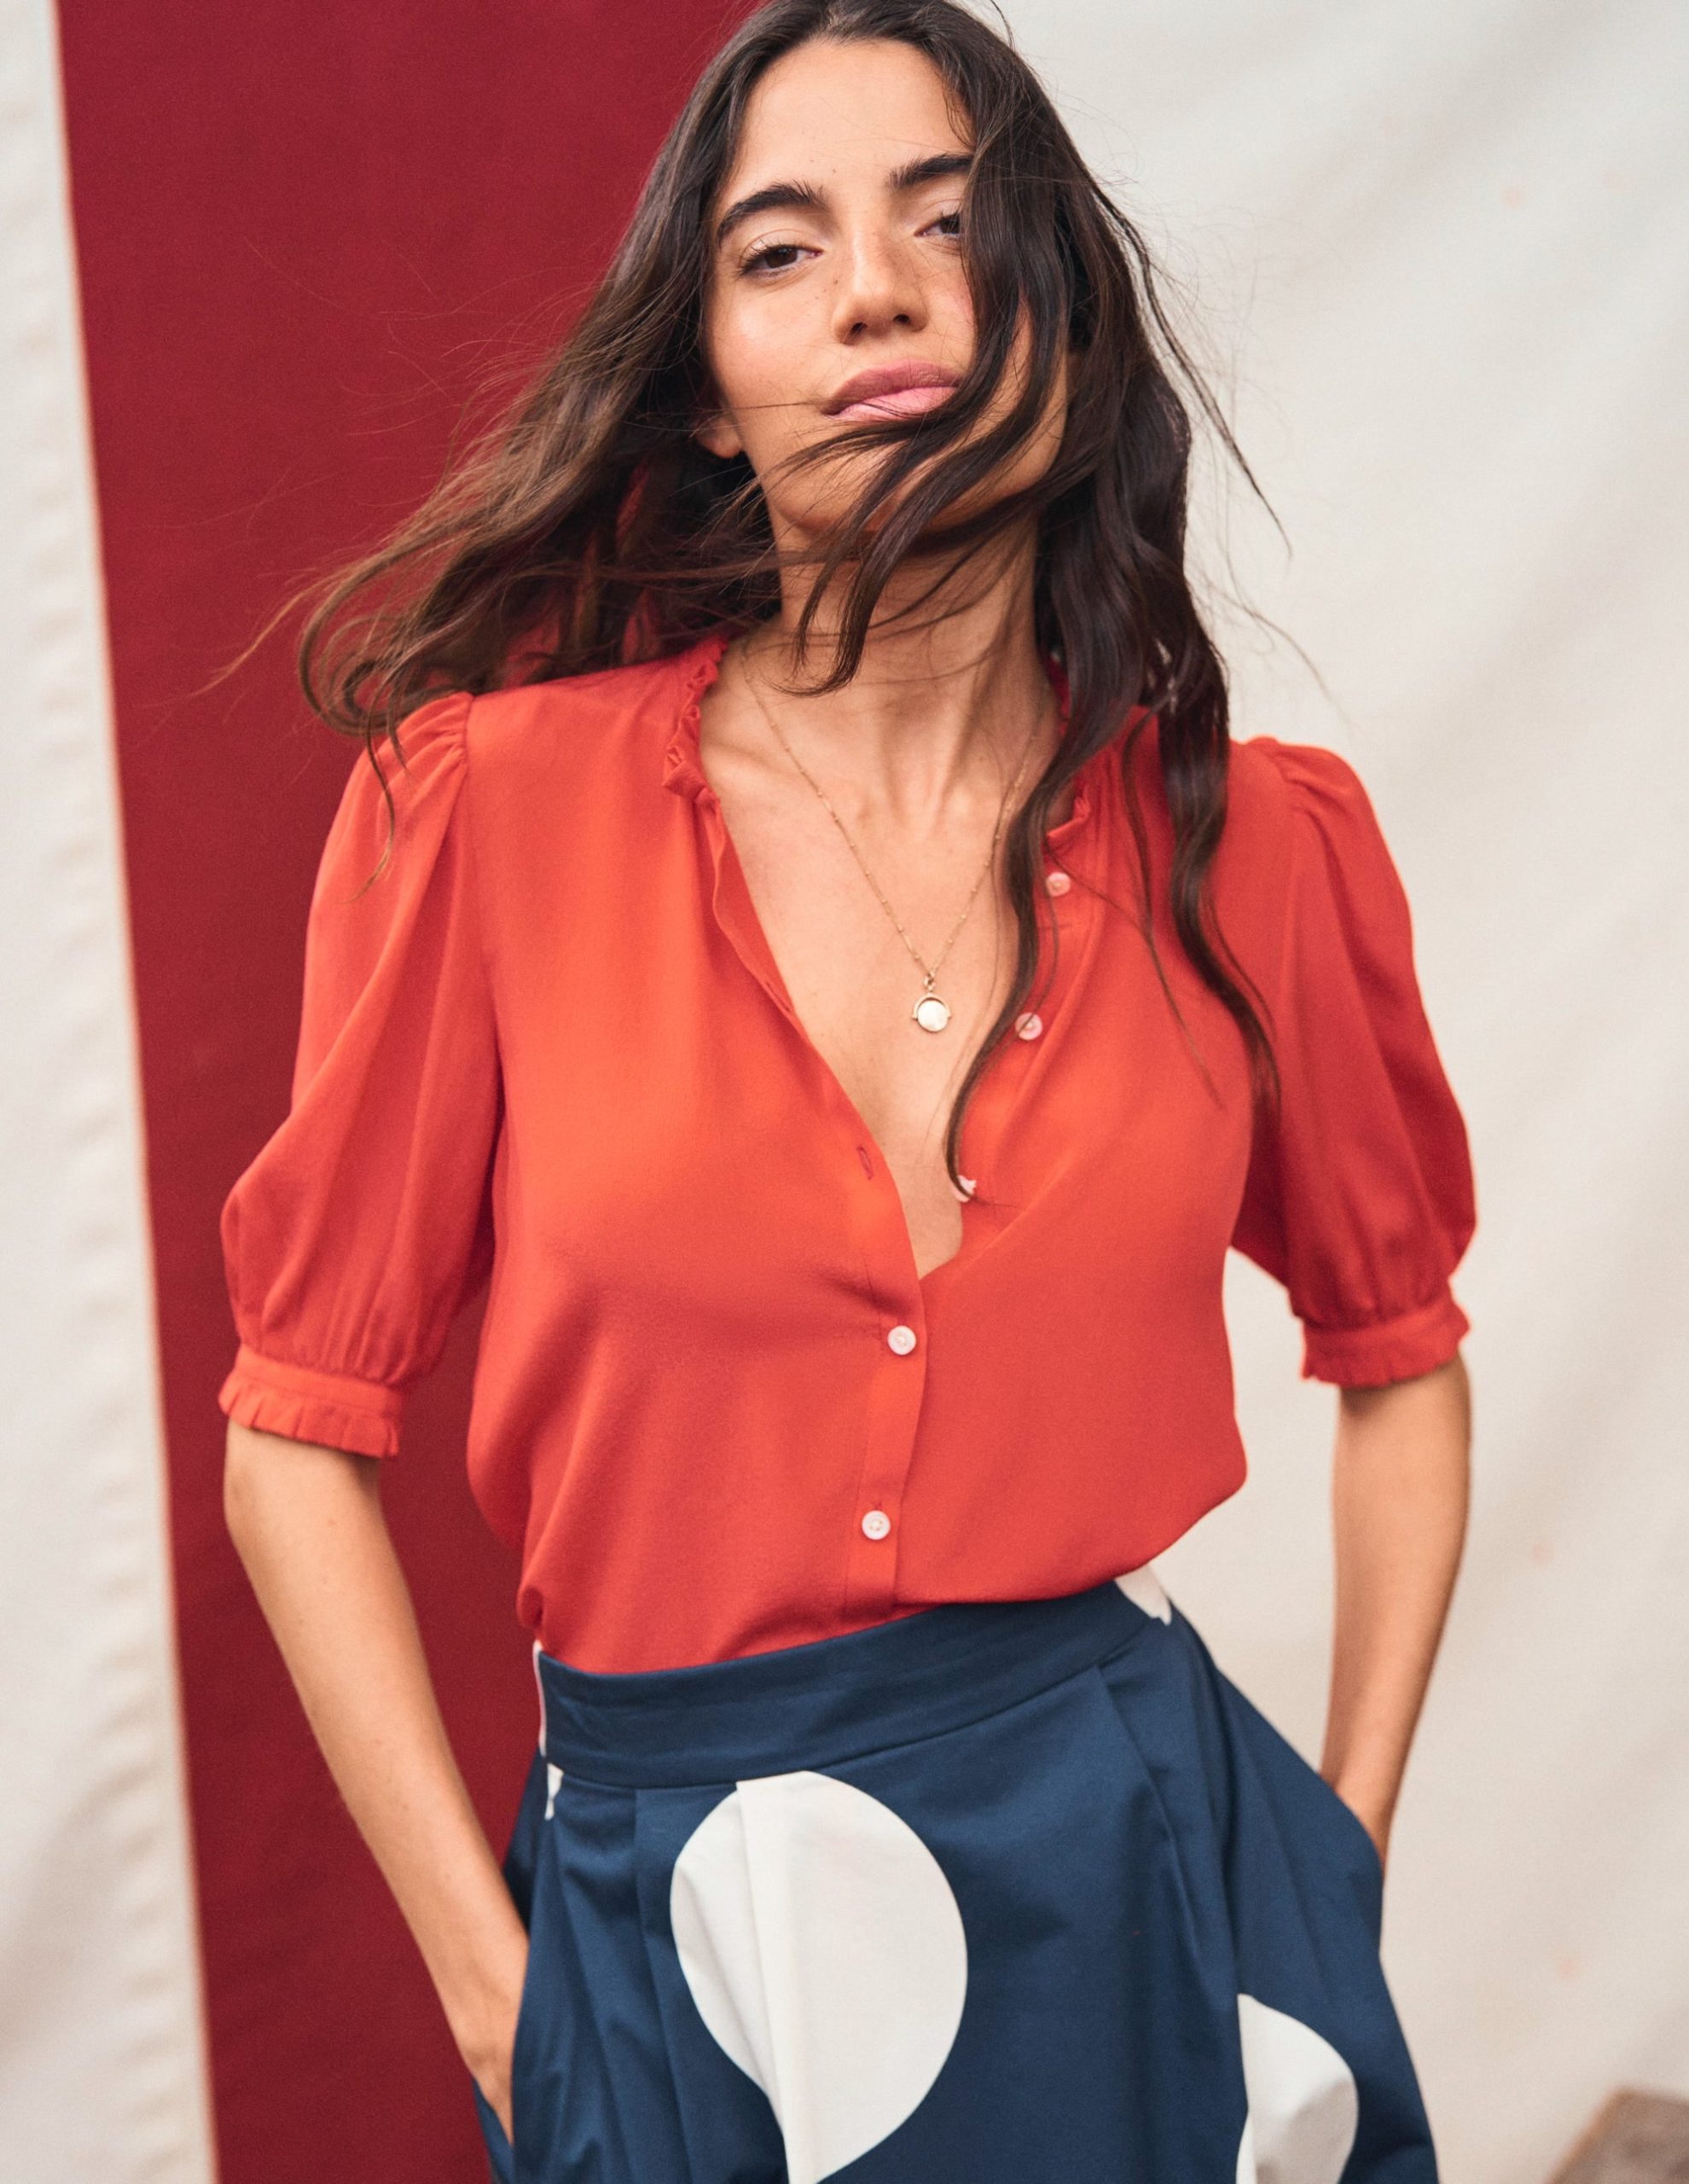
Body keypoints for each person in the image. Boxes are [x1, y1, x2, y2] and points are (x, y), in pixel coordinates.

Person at [217, 3, 1476, 2179]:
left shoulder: (1253, 843)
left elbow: (1403, 1352)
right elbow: (292, 1439)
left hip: (1149, 1894)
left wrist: (1332, 1859)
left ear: (1060, 325)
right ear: (709, 387)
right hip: (678, 1924)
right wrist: (502, 1997)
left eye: (950, 225)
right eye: (781, 251)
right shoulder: (484, 821)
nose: (876, 291)